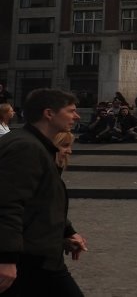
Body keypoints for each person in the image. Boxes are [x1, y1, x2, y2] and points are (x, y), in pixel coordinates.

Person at [0, 88, 87, 296]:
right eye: (71, 111)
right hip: (30, 259)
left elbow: (42, 199)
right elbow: (8, 203)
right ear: (49, 114)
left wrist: (66, 232)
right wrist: (6, 258)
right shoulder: (26, 147)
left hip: (38, 255)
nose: (77, 116)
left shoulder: (35, 144)